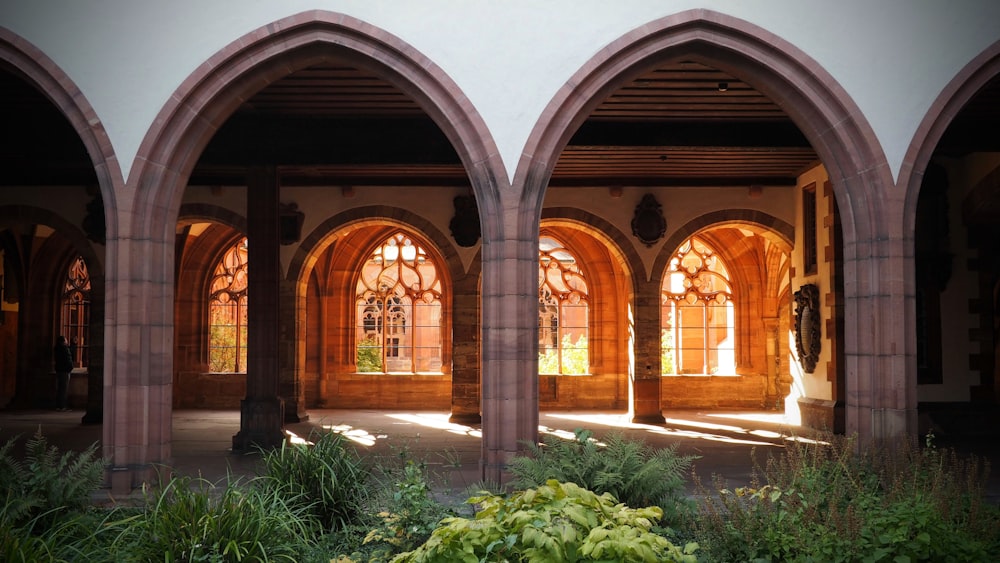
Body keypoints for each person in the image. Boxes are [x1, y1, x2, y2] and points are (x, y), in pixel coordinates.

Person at [53, 335, 74, 411]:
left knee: (60, 389)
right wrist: (70, 368)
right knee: (63, 389)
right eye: (66, 340)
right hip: (65, 371)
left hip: (59, 370)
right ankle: (62, 406)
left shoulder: (58, 349)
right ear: (63, 341)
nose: (67, 341)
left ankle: (59, 406)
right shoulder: (64, 349)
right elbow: (68, 359)